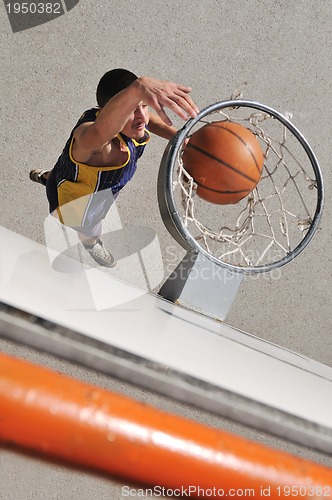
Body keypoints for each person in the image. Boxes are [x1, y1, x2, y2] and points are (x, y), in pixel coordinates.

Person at [30, 69, 199, 267]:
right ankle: (92, 246)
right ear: (110, 111)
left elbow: (148, 119)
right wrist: (138, 87)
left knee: (61, 176)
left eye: (144, 106)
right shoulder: (97, 145)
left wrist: (181, 138)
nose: (143, 117)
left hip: (69, 176)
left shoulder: (130, 121)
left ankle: (47, 177)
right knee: (92, 229)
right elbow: (99, 132)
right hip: (77, 206)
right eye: (132, 110)